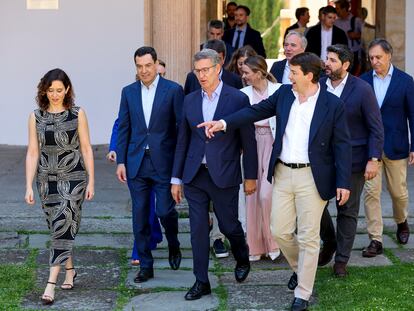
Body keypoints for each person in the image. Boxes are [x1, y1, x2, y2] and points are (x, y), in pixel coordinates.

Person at [199, 52, 352, 311]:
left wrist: (344, 181)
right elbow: (255, 111)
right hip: (282, 172)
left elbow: (343, 145)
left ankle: (302, 294)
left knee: (308, 236)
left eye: (293, 73)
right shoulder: (283, 95)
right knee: (280, 230)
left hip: (313, 176)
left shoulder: (332, 105)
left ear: (309, 76)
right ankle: (300, 268)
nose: (288, 77)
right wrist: (224, 123)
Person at [171, 49, 258, 301]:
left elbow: (248, 141)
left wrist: (250, 176)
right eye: (197, 71)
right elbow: (182, 142)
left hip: (225, 173)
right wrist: (176, 178)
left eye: (206, 70)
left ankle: (242, 255)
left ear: (218, 68)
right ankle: (201, 281)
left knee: (229, 225)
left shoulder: (237, 99)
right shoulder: (189, 101)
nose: (201, 75)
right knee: (197, 230)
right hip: (195, 175)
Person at [25, 68, 95, 305]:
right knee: (58, 229)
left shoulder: (77, 113)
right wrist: (28, 185)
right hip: (46, 180)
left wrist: (92, 181)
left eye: (59, 90)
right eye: (51, 90)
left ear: (67, 90)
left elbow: (86, 148)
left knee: (64, 221)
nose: (55, 94)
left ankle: (50, 284)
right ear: (44, 90)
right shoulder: (36, 116)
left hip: (73, 177)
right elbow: (33, 152)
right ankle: (70, 269)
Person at [116, 46, 183, 283]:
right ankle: (146, 264)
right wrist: (121, 161)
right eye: (139, 66)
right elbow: (124, 127)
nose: (144, 70)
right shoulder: (128, 92)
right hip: (136, 163)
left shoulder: (173, 90)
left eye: (147, 65)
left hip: (163, 163)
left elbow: (180, 130)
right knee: (140, 216)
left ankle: (173, 242)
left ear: (156, 65)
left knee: (165, 211)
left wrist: (179, 168)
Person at [318, 44, 384, 277]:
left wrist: (373, 159)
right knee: (315, 207)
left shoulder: (362, 89)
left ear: (345, 65)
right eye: (327, 58)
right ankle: (330, 241)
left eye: (333, 60)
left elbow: (376, 128)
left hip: (354, 160)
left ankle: (341, 261)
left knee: (347, 210)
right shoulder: (317, 86)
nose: (327, 63)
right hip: (322, 159)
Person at [360, 38, 414, 257]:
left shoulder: (405, 81)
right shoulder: (363, 81)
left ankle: (402, 221)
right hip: (370, 148)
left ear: (389, 55)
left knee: (398, 193)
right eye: (371, 58)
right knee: (371, 193)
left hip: (396, 145)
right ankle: (376, 239)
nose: (374, 61)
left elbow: (413, 115)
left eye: (378, 57)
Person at [240, 55, 281, 262]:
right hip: (250, 145)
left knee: (267, 195)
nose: (244, 76)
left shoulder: (279, 90)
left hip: (272, 146)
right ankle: (255, 246)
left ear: (259, 72)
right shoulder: (242, 94)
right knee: (251, 195)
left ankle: (273, 243)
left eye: (247, 72)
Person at [334, 0, 363, 75]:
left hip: (353, 53)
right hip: (339, 54)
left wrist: (357, 35)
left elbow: (366, 35)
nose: (336, 11)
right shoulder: (335, 22)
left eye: (337, 8)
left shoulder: (356, 21)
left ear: (344, 9)